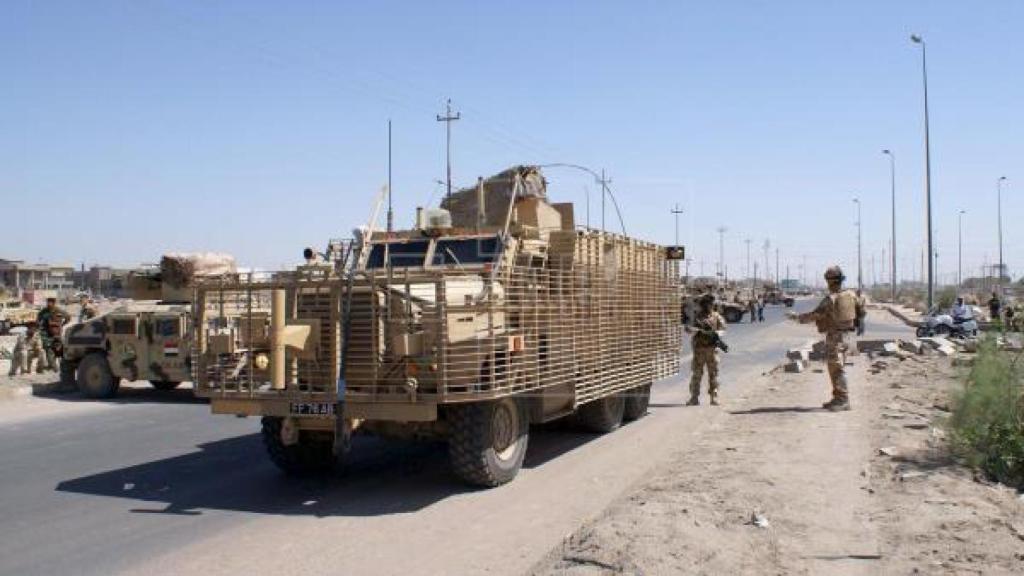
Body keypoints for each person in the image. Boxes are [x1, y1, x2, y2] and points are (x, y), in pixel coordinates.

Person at [794, 266, 864, 411]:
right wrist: (860, 323)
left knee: (836, 368)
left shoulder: (830, 299)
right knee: (837, 367)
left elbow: (814, 315)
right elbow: (861, 309)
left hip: (835, 337)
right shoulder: (851, 295)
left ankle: (843, 400)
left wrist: (796, 317)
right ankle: (838, 398)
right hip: (847, 336)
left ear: (829, 282)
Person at [686, 294, 727, 406]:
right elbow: (688, 329)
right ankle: (694, 397)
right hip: (699, 350)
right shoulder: (697, 317)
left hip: (712, 350)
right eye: (707, 304)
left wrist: (715, 334)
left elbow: (723, 329)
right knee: (697, 375)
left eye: (711, 304)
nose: (709, 306)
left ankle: (714, 397)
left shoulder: (716, 316)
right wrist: (698, 331)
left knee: (713, 374)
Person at [36, 297, 69, 373]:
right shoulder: (44, 311)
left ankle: (63, 368)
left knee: (60, 351)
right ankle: (55, 369)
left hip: (57, 334)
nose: (49, 304)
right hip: (47, 335)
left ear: (54, 303)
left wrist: (62, 325)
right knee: (49, 351)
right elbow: (38, 319)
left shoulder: (59, 310)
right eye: (48, 302)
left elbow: (68, 317)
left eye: (51, 302)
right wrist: (41, 327)